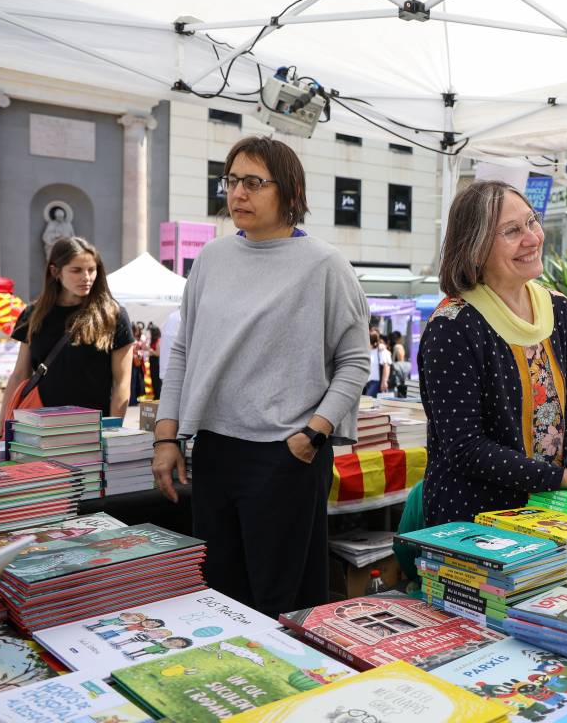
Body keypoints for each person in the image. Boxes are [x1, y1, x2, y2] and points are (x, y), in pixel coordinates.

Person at [152, 135, 370, 617]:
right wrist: (165, 437)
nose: (238, 194)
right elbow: (185, 349)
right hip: (214, 449)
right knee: (219, 595)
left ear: (289, 193)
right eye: (231, 181)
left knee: (282, 601)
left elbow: (355, 360)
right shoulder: (211, 258)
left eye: (253, 182)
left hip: (286, 454)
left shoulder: (325, 265)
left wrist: (314, 433)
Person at [418, 180, 567, 527]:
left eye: (531, 222)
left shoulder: (557, 309)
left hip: (551, 510)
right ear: (476, 247)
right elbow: (466, 448)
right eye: (512, 231)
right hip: (476, 519)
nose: (532, 238)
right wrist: (559, 478)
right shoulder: (453, 325)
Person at [0, 237, 134, 436]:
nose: (86, 277)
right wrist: (2, 429)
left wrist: (112, 433)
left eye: (92, 270)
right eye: (76, 270)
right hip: (39, 428)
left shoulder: (113, 315)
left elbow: (122, 383)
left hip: (90, 429)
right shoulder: (33, 314)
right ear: (55, 271)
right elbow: (19, 374)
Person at [388, 330, 410, 397]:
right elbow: (401, 361)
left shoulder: (393, 347)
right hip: (397, 372)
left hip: (394, 372)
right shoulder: (398, 346)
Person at [147, 325, 162, 400]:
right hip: (152, 361)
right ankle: (156, 394)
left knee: (156, 379)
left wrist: (150, 350)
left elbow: (158, 353)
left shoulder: (157, 341)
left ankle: (158, 395)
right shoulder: (152, 341)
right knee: (153, 378)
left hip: (156, 361)